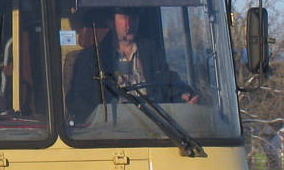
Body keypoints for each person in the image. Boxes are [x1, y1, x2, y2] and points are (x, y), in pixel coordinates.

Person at [66, 7, 197, 127]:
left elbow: (166, 83)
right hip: (110, 130)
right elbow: (78, 102)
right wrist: (100, 120)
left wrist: (183, 95)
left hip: (152, 125)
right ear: (111, 22)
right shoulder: (91, 58)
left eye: (133, 18)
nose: (129, 24)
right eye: (123, 18)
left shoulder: (151, 51)